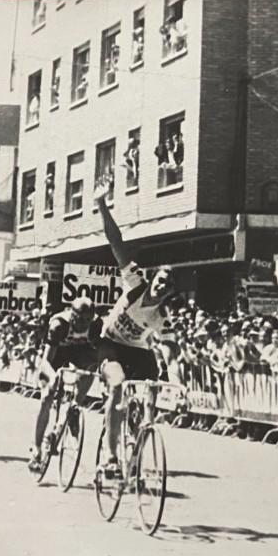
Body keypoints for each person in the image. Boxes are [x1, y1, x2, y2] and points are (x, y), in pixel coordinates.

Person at [93, 191, 177, 480]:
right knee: (117, 385)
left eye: (168, 286)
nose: (162, 287)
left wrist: (175, 380)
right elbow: (116, 243)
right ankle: (110, 457)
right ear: (153, 279)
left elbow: (169, 349)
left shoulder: (161, 316)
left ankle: (137, 445)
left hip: (139, 351)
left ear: (170, 292)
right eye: (161, 280)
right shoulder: (136, 283)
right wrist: (102, 206)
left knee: (150, 395)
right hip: (111, 343)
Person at [28, 297, 100, 473]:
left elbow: (97, 355)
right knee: (47, 396)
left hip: (80, 352)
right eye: (79, 319)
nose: (83, 324)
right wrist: (53, 377)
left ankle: (73, 409)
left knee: (91, 368)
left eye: (87, 320)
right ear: (72, 315)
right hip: (57, 353)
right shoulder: (59, 325)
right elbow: (46, 361)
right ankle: (36, 449)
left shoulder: (96, 325)